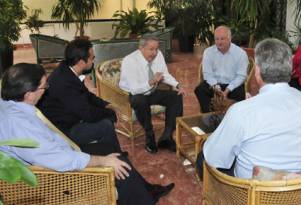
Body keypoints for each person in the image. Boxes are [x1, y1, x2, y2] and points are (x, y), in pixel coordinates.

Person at [0, 63, 174, 205]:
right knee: (118, 165)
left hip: (59, 151)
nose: (46, 89)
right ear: (29, 94)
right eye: (44, 87)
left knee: (111, 151)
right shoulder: (21, 126)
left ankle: (143, 191)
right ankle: (142, 197)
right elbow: (60, 160)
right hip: (55, 177)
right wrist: (103, 161)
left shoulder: (10, 104)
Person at [199, 38, 301, 179]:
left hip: (255, 193)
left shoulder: (241, 111)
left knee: (204, 156)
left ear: (257, 71)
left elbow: (214, 158)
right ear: (290, 69)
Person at [37, 39, 121, 152]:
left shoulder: (67, 70)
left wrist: (107, 105)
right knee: (105, 125)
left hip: (69, 117)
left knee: (105, 118)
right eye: (92, 59)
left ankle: (112, 152)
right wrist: (111, 113)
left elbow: (87, 95)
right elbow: (87, 113)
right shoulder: (64, 81)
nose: (93, 62)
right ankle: (115, 155)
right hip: (62, 131)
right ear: (82, 62)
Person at [119, 36, 185, 154]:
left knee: (176, 96)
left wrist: (177, 85)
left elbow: (164, 74)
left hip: (151, 91)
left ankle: (167, 137)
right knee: (140, 101)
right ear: (141, 48)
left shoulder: (158, 55)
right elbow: (135, 89)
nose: (155, 53)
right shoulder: (130, 61)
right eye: (151, 49)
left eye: (156, 49)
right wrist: (152, 81)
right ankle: (149, 136)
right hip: (134, 94)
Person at [195, 25, 249, 113]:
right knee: (200, 90)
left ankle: (233, 118)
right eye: (217, 39)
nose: (219, 42)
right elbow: (208, 74)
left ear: (229, 38)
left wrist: (228, 89)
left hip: (232, 86)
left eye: (222, 39)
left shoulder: (240, 53)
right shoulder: (208, 52)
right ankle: (210, 117)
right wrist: (216, 87)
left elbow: (241, 76)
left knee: (240, 94)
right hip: (214, 85)